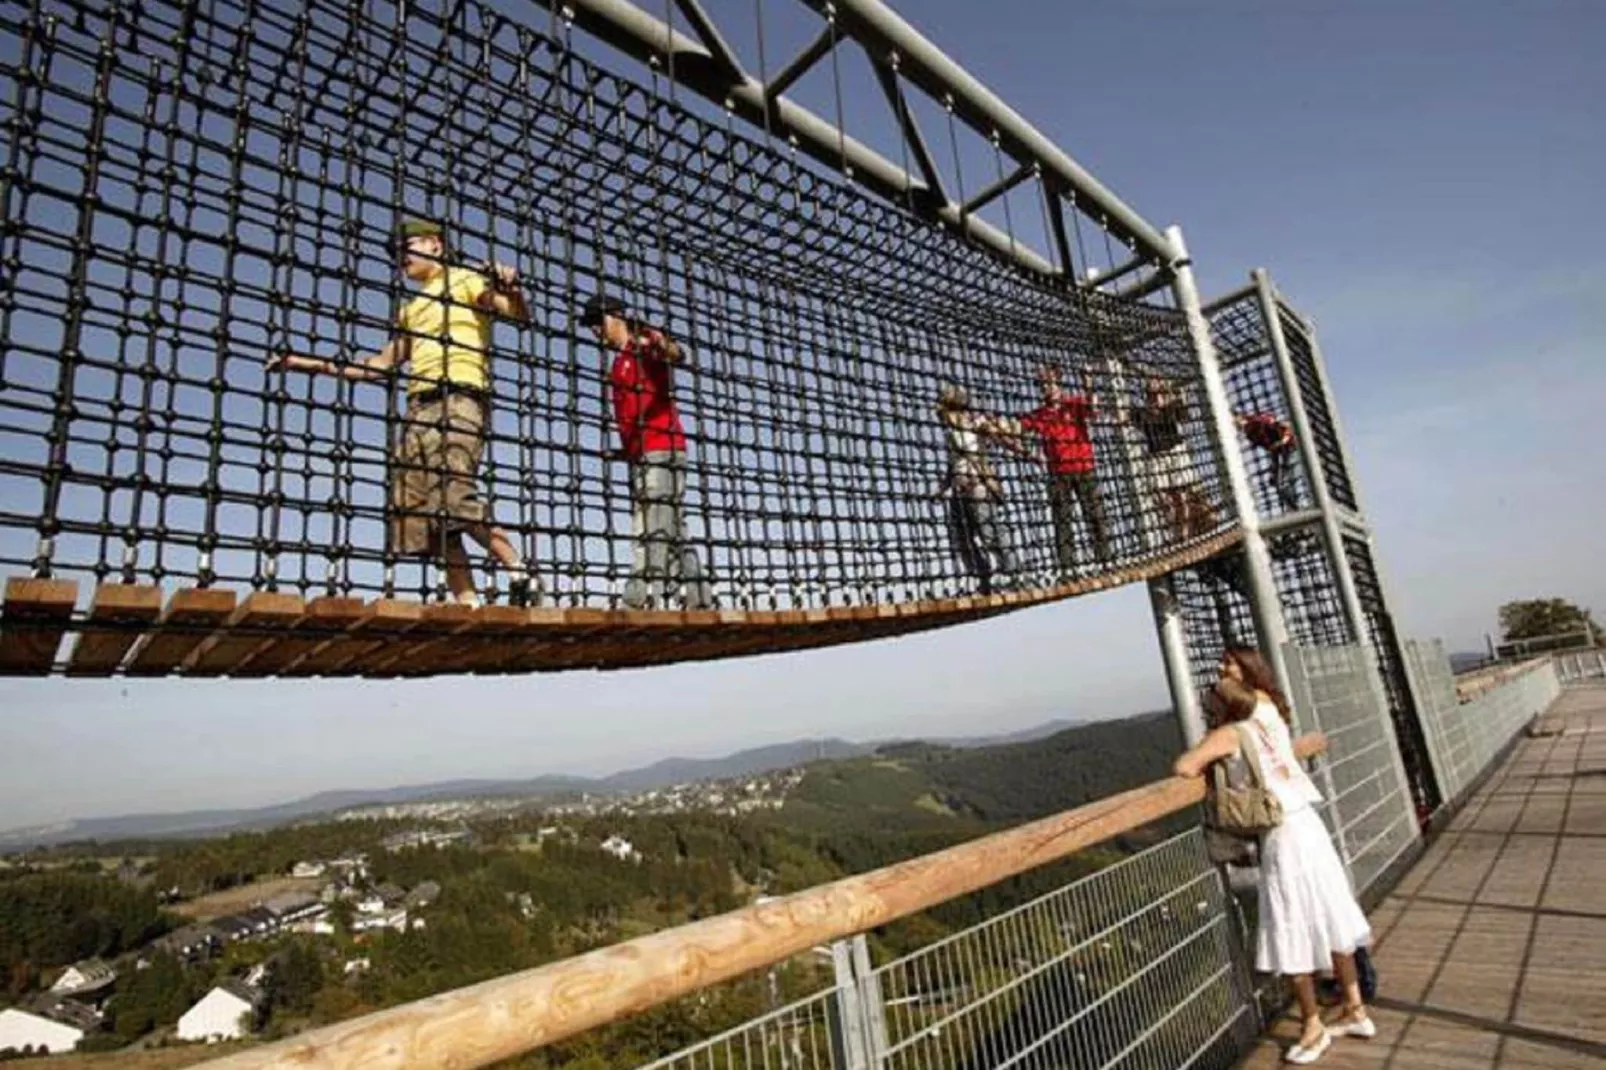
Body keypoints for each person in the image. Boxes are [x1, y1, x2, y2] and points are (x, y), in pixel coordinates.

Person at [268, 218, 538, 608]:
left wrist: (510, 286)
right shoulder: (411, 310)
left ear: (435, 246)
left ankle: (519, 572)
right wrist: (305, 363)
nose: (399, 259)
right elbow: (377, 366)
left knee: (454, 496)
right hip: (417, 410)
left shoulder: (463, 280)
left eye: (405, 248)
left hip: (459, 398)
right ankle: (468, 602)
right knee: (423, 514)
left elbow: (516, 314)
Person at [1173, 648, 1375, 1064]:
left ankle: (1313, 1026)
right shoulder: (1270, 710)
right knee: (1329, 913)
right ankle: (1356, 1010)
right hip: (1307, 821)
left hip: (1283, 834)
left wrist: (1214, 749)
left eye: (1226, 667)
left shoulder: (1230, 733)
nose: (1219, 671)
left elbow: (1185, 767)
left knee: (1291, 923)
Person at [581, 293, 711, 611]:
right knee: (674, 528)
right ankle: (700, 599)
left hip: (662, 450)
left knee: (652, 525)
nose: (594, 332)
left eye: (596, 324)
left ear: (613, 317)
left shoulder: (642, 346)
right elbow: (633, 413)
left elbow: (676, 354)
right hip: (643, 455)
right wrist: (625, 451)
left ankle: (637, 598)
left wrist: (660, 342)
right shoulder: (620, 360)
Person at [931, 382, 1027, 594]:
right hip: (959, 490)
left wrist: (1021, 449)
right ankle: (984, 579)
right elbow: (954, 464)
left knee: (989, 532)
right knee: (961, 539)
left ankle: (1015, 575)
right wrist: (942, 488)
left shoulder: (975, 422)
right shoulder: (950, 433)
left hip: (978, 487)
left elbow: (1000, 436)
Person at [1019, 365, 1109, 577]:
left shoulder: (1073, 404)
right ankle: (1068, 568)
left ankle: (1105, 561)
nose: (1047, 388)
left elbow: (1094, 411)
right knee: (1062, 521)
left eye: (1050, 383)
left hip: (1084, 468)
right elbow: (1017, 429)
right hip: (1058, 474)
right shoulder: (1039, 415)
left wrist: (1087, 380)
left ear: (1058, 382)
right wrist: (1029, 452)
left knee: (1095, 516)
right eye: (1043, 385)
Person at [1132, 376, 1214, 541]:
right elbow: (1128, 420)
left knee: (1181, 495)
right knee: (1161, 497)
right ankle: (1174, 530)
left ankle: (1183, 534)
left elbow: (1185, 417)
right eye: (1150, 386)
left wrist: (1179, 398)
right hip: (1156, 455)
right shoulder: (1142, 412)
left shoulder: (1171, 406)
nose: (1153, 387)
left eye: (1156, 384)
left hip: (1176, 451)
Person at [1237, 411, 1301, 511]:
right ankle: (1293, 505)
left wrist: (1283, 441)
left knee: (1282, 480)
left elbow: (1284, 427)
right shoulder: (1249, 434)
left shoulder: (1258, 420)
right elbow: (1267, 446)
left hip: (1287, 448)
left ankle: (1294, 506)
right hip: (1277, 451)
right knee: (1275, 481)